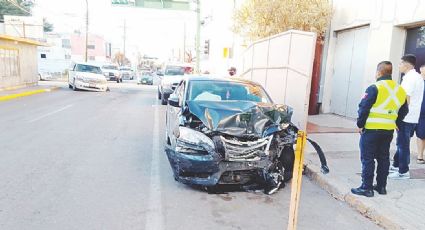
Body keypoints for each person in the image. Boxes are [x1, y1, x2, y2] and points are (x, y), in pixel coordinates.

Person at [351, 61, 408, 197]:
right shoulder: (400, 90)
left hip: (371, 130)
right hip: (388, 130)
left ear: (379, 72)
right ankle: (381, 187)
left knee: (368, 158)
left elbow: (364, 108)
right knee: (383, 158)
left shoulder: (374, 87)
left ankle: (367, 188)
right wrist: (396, 122)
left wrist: (360, 125)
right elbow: (404, 110)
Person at [389, 54, 424, 179]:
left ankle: (403, 171)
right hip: (412, 116)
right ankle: (396, 165)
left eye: (400, 63)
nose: (398, 66)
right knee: (402, 142)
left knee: (402, 144)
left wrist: (397, 115)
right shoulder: (416, 77)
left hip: (406, 116)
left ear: (406, 64)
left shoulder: (410, 78)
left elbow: (405, 99)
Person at [416, 64, 425, 164]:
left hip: (423, 114)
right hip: (413, 112)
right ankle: (399, 156)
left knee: (422, 134)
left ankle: (420, 156)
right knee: (406, 135)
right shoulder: (416, 81)